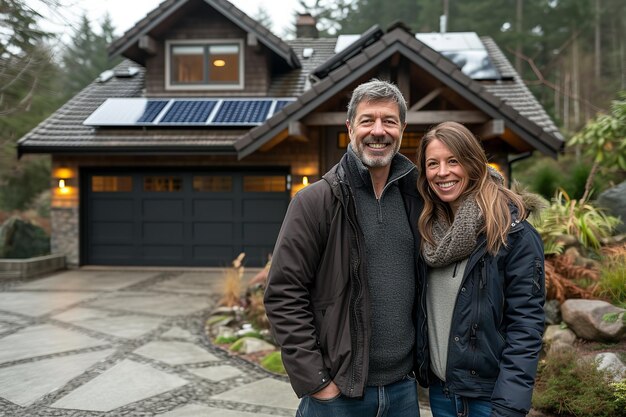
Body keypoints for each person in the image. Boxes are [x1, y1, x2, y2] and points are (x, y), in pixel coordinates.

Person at [264, 79, 428, 417]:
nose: (378, 131)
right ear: (350, 126)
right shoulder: (316, 201)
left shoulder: (417, 197)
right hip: (339, 395)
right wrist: (318, 383)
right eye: (368, 120)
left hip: (403, 392)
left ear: (402, 128)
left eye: (389, 121)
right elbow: (283, 292)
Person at [415, 121, 545, 417]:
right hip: (441, 394)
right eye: (432, 164)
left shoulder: (513, 234)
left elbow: (526, 327)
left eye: (453, 161)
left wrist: (508, 406)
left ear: (473, 164)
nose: (442, 172)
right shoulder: (426, 232)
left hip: (489, 399)